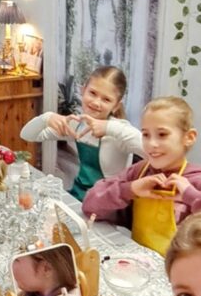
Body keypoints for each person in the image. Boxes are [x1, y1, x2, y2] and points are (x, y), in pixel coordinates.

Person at [82, 96, 201, 255]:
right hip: (141, 267)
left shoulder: (199, 182)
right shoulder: (138, 172)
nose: (152, 144)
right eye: (146, 135)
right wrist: (130, 189)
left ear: (189, 137)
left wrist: (193, 197)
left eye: (162, 134)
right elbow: (90, 205)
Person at [20, 66, 143, 201]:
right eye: (93, 93)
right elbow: (27, 135)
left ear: (116, 106)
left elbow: (147, 148)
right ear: (83, 90)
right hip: (79, 196)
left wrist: (109, 128)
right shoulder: (77, 124)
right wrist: (46, 118)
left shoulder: (120, 130)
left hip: (108, 204)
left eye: (106, 99)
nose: (96, 102)